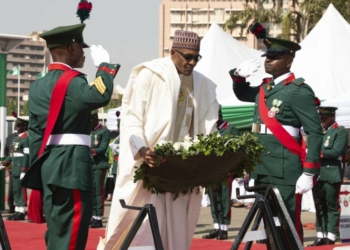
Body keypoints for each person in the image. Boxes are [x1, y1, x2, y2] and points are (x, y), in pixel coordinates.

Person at [98, 30, 219, 250]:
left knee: (175, 234)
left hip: (181, 173)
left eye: (196, 57)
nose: (192, 63)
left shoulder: (203, 86)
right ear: (173, 52)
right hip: (150, 168)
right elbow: (132, 118)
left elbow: (209, 130)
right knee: (142, 232)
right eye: (187, 57)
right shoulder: (149, 74)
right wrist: (143, 150)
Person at [22, 23, 120, 250]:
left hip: (49, 165)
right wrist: (104, 67)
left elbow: (36, 134)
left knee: (58, 233)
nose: (83, 53)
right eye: (81, 48)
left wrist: (40, 166)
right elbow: (100, 95)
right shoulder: (73, 81)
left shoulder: (37, 86)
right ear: (71, 48)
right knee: (72, 235)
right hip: (72, 166)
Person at [230, 36, 323, 243]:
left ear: (289, 61)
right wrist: (238, 76)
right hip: (262, 167)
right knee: (270, 225)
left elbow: (315, 132)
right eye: (267, 56)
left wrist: (309, 171)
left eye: (275, 57)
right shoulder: (266, 88)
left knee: (287, 223)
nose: (268, 60)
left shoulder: (298, 91)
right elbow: (243, 94)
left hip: (284, 169)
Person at [309, 106, 348, 246]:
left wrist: (317, 152)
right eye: (320, 117)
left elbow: (337, 151)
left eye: (324, 117)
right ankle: (320, 236)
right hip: (317, 173)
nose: (322, 120)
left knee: (331, 205)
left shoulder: (340, 131)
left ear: (332, 116)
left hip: (331, 173)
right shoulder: (320, 131)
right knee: (319, 206)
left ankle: (331, 236)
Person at [202, 108, 235, 240]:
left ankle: (224, 229)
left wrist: (233, 169)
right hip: (212, 172)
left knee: (224, 199)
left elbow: (237, 153)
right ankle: (217, 227)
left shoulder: (230, 129)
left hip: (226, 172)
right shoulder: (208, 130)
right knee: (213, 199)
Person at [2, 116, 29, 220]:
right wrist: (4, 163)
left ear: (24, 126)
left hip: (21, 167)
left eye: (18, 125)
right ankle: (17, 210)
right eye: (16, 125)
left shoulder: (26, 139)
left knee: (21, 189)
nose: (16, 127)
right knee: (15, 190)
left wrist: (24, 169)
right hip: (14, 167)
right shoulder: (15, 138)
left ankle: (21, 211)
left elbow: (27, 155)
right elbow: (12, 154)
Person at [90, 110, 111, 228]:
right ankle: (93, 216)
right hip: (90, 164)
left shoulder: (104, 131)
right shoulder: (90, 132)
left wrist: (89, 151)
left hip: (99, 164)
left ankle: (98, 217)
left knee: (98, 191)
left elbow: (102, 148)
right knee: (91, 191)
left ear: (94, 119)